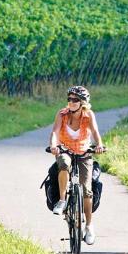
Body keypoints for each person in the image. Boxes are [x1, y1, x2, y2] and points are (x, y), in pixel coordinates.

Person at [49, 86, 105, 245]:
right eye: (69, 99)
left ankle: (88, 226)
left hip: (84, 153)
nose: (71, 102)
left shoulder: (88, 116)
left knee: (87, 191)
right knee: (64, 163)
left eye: (75, 100)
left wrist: (99, 145)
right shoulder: (62, 114)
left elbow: (95, 132)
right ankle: (62, 200)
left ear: (83, 103)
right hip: (65, 150)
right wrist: (54, 146)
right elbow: (55, 132)